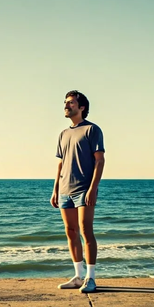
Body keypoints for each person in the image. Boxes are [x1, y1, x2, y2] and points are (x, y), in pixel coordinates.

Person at [50, 90, 105, 293]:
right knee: (70, 232)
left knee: (85, 231)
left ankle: (90, 278)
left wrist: (93, 188)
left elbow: (100, 161)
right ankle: (77, 276)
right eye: (66, 102)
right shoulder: (63, 134)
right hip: (65, 190)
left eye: (71, 102)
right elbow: (61, 164)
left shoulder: (92, 130)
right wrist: (55, 190)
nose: (67, 105)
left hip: (84, 189)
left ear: (81, 107)